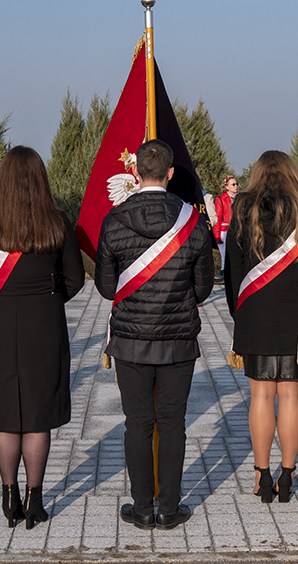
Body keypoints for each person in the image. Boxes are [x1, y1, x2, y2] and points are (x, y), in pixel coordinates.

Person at [0, 146, 85, 529]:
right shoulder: (57, 222)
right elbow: (77, 279)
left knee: (4, 415)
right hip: (43, 326)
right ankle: (35, 498)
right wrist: (47, 299)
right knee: (37, 415)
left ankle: (8, 492)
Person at [95, 139, 213, 531]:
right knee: (173, 424)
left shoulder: (113, 221)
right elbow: (204, 290)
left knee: (137, 424)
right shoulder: (193, 221)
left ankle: (142, 507)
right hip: (178, 340)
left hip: (129, 341)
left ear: (135, 173)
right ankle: (170, 508)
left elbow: (107, 288)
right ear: (170, 173)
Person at [224, 150, 298, 504]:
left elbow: (232, 267)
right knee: (290, 396)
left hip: (255, 313)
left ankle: (261, 476)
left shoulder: (243, 206)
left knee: (261, 396)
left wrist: (240, 311)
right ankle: (288, 473)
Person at [214, 175, 238, 279]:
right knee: (223, 251)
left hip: (236, 229)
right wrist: (217, 235)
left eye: (236, 184)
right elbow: (218, 218)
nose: (236, 186)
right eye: (233, 184)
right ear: (227, 187)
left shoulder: (240, 198)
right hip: (224, 230)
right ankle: (221, 271)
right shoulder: (221, 199)